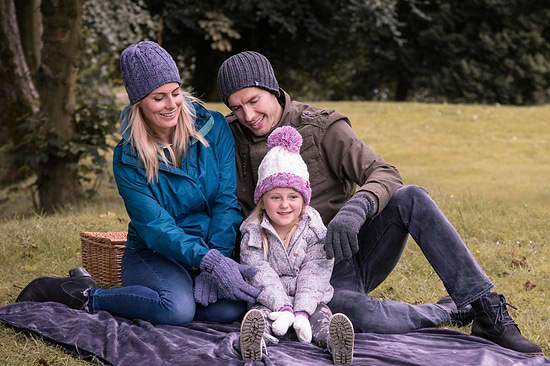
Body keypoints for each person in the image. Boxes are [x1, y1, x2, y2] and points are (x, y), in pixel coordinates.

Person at [215, 51, 543, 355]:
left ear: (272, 88)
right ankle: (448, 311)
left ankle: (484, 308)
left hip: (338, 257)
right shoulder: (224, 137)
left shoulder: (321, 125)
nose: (248, 115)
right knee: (352, 313)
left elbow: (383, 173)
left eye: (254, 101)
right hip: (275, 271)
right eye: (236, 107)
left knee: (411, 197)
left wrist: (356, 209)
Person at [17, 41, 261, 326]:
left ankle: (161, 297)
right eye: (159, 97)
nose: (171, 105)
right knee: (176, 309)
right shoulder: (127, 157)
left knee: (229, 311)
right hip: (153, 253)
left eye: (175, 92)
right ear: (139, 103)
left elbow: (225, 201)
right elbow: (155, 228)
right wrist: (207, 260)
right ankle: (83, 294)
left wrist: (216, 260)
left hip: (206, 249)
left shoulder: (214, 127)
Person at [238, 126, 354, 364]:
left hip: (309, 300)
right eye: (275, 197)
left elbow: (316, 271)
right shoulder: (252, 230)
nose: (284, 205)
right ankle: (254, 341)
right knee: (258, 315)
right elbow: (258, 271)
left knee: (321, 317)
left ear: (304, 199)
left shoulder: (314, 229)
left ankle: (335, 342)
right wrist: (281, 306)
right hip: (269, 300)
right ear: (262, 200)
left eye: (293, 197)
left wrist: (301, 310)